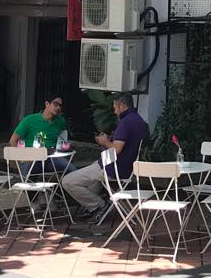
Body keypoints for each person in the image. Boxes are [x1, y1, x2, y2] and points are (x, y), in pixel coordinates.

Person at [62, 93, 148, 226]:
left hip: (113, 168)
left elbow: (116, 149)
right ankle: (94, 203)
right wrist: (110, 139)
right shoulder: (139, 121)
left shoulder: (126, 122)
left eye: (115, 108)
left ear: (122, 105)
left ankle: (98, 205)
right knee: (92, 170)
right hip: (127, 167)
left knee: (67, 181)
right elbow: (124, 144)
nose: (114, 111)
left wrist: (104, 142)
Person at [9, 94, 71, 176]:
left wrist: (64, 147)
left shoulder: (61, 121)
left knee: (71, 170)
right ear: (47, 104)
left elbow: (63, 139)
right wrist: (21, 158)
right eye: (55, 104)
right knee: (27, 178)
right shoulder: (30, 120)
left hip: (52, 157)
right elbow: (13, 140)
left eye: (60, 105)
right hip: (32, 157)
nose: (58, 107)